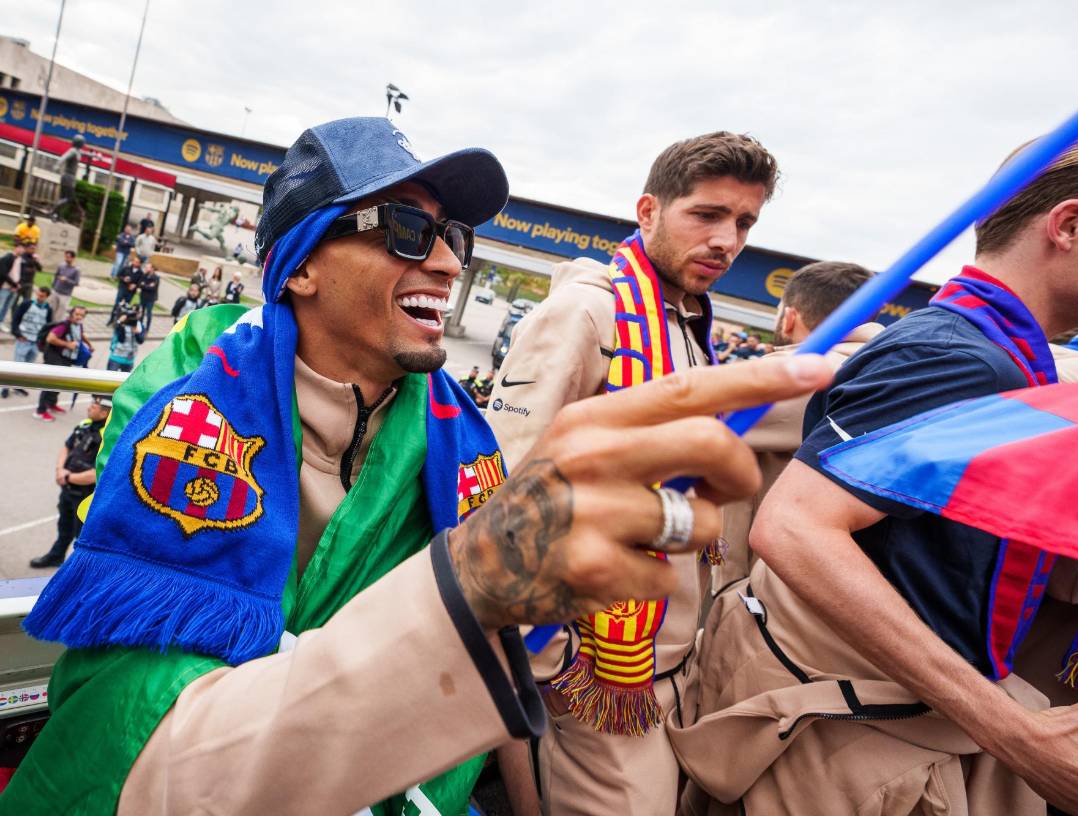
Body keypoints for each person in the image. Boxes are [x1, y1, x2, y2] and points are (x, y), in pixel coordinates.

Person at [0, 116, 831, 815]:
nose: (447, 263)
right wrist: (474, 584)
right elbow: (155, 715)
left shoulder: (457, 439)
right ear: (302, 264)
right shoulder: (181, 398)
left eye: (453, 236)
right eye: (406, 229)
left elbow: (500, 644)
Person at [670, 123, 1078, 816]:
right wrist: (1024, 738)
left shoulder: (998, 352)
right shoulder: (962, 357)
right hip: (848, 747)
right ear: (1070, 226)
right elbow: (795, 527)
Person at [485, 130, 779, 816]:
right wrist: (548, 663)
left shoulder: (689, 326)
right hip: (589, 673)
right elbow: (503, 487)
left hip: (666, 669)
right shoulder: (588, 312)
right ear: (648, 211)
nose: (727, 241)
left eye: (744, 223)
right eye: (707, 215)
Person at [714, 260, 878, 593]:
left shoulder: (796, 373)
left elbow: (673, 418)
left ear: (789, 317)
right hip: (834, 578)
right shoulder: (886, 369)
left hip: (761, 588)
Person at [28, 396, 111, 569]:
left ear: (105, 412)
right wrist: (60, 470)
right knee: (64, 527)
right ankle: (56, 556)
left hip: (86, 496)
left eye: (94, 405)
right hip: (68, 489)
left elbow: (99, 473)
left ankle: (79, 570)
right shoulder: (85, 424)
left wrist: (67, 477)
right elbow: (67, 446)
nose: (89, 407)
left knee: (82, 537)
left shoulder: (109, 437)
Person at [36, 305, 92, 421]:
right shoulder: (64, 325)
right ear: (71, 314)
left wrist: (89, 344)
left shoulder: (78, 325)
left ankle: (51, 404)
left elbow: (80, 335)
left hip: (66, 358)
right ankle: (40, 411)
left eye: (82, 315)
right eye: (77, 314)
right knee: (49, 384)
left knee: (58, 383)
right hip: (55, 357)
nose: (79, 317)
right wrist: (67, 344)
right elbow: (50, 338)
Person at [1, 285, 52, 399]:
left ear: (47, 297)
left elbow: (48, 326)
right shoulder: (26, 304)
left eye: (42, 296)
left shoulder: (48, 309)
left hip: (35, 342)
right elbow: (15, 319)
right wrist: (17, 334)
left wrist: (42, 341)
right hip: (23, 339)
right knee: (17, 366)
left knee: (27, 367)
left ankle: (17, 386)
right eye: (38, 294)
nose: (39, 297)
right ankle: (5, 387)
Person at [50, 135, 87, 224]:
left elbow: (86, 153)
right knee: (69, 198)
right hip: (68, 177)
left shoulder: (77, 151)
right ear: (79, 143)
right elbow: (63, 158)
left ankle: (58, 216)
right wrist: (57, 165)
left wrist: (96, 156)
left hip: (70, 177)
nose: (83, 144)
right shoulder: (73, 151)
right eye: (82, 143)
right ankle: (52, 211)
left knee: (63, 197)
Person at [107, 303, 144, 372]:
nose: (136, 314)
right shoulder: (122, 323)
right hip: (116, 357)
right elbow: (121, 339)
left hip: (129, 360)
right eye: (133, 312)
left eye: (139, 312)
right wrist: (119, 321)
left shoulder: (140, 325)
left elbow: (141, 341)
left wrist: (136, 332)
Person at [109, 254, 144, 326]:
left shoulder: (141, 273)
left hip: (131, 292)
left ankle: (119, 321)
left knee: (126, 307)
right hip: (122, 288)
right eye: (134, 261)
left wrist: (135, 286)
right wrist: (124, 279)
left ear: (140, 264)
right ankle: (111, 319)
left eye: (137, 262)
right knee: (117, 304)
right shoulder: (126, 268)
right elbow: (118, 275)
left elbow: (140, 283)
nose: (134, 262)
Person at [0, 241, 28, 324]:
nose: (22, 250)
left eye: (24, 249)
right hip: (5, 286)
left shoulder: (20, 260)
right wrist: (14, 284)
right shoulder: (7, 257)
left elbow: (21, 273)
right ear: (16, 248)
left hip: (14, 288)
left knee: (7, 306)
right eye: (21, 248)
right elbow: (3, 273)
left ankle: (1, 321)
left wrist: (18, 284)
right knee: (1, 305)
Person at [49, 250, 81, 323]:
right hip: (56, 291)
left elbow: (76, 283)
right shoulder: (61, 266)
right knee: (52, 311)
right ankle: (49, 325)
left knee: (60, 314)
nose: (66, 259)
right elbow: (56, 275)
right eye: (65, 257)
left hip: (65, 295)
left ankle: (56, 326)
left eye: (68, 257)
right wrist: (53, 287)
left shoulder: (76, 270)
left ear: (73, 258)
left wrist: (66, 280)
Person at [138, 262, 160, 334]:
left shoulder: (156, 278)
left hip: (150, 299)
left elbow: (152, 288)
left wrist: (144, 285)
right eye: (146, 267)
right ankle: (140, 326)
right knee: (141, 312)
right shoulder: (144, 275)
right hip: (143, 296)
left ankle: (147, 328)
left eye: (148, 267)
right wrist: (146, 285)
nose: (146, 268)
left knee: (148, 313)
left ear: (152, 269)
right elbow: (139, 284)